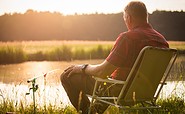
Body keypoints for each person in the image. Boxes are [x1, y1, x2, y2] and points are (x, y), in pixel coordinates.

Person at [60, 1, 169, 114]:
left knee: (66, 76)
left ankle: (90, 112)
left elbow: (102, 71)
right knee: (110, 82)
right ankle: (94, 111)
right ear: (146, 16)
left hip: (121, 91)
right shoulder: (162, 41)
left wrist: (82, 68)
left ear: (128, 17)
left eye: (124, 18)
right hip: (147, 92)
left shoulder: (127, 38)